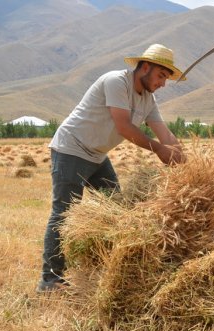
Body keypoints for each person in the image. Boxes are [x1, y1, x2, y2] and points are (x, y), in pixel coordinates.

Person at [37, 44, 186, 292]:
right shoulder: (117, 82)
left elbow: (165, 134)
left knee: (118, 208)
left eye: (167, 78)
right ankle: (50, 280)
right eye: (161, 75)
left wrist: (186, 160)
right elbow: (124, 128)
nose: (163, 83)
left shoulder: (148, 99)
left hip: (97, 155)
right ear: (145, 67)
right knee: (64, 213)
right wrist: (159, 150)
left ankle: (107, 265)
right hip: (71, 149)